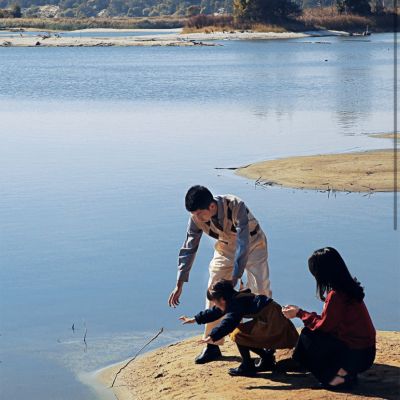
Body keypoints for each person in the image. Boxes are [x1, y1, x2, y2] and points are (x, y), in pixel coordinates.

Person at [168, 185, 271, 364]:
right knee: (214, 288)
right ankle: (212, 345)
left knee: (260, 289)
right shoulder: (195, 218)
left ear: (212, 207)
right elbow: (189, 248)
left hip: (253, 244)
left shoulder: (236, 206)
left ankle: (268, 344)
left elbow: (243, 244)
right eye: (193, 214)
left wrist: (235, 277)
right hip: (225, 247)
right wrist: (180, 283)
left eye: (200, 214)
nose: (197, 218)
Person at [282, 247, 376, 391]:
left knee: (308, 335)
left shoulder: (336, 295)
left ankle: (334, 380)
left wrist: (299, 313)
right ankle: (345, 374)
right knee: (314, 333)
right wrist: (302, 314)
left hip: (356, 356)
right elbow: (330, 322)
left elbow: (323, 327)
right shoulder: (349, 288)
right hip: (366, 353)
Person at [180, 279, 299, 376]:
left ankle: (248, 365)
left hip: (273, 322)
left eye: (215, 302)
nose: (215, 305)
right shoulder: (234, 299)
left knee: (237, 334)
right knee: (241, 333)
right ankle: (266, 358)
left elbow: (229, 322)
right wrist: (195, 319)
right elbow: (215, 312)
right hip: (269, 319)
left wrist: (213, 336)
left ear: (222, 299)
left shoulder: (236, 304)